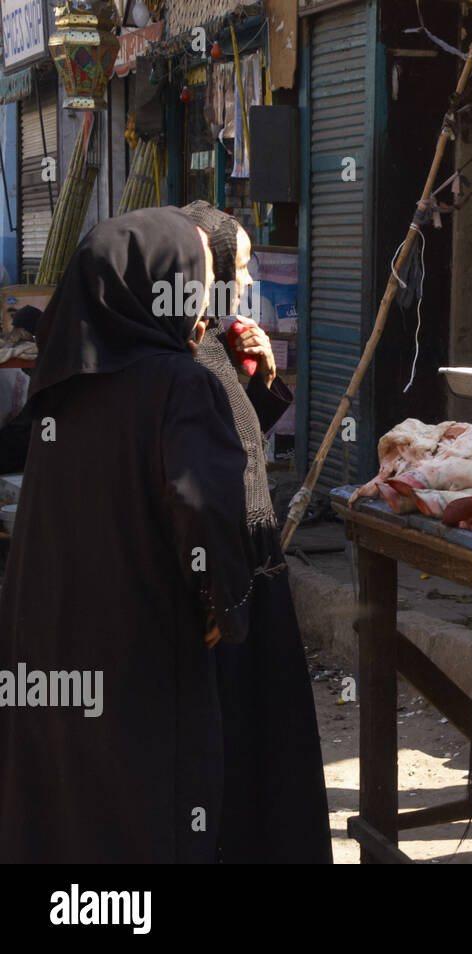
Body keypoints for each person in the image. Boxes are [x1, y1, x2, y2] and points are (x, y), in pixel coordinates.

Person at [0, 208, 253, 862]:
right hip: (142, 647)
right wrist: (226, 608)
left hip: (48, 644)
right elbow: (206, 510)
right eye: (191, 283)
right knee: (153, 808)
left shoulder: (61, 388)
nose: (200, 306)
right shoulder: (179, 385)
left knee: (67, 808)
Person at [180, 200, 332, 864]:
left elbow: (237, 448)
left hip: (249, 576)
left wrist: (262, 382)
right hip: (221, 583)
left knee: (261, 737)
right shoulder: (178, 361)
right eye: (236, 269)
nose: (244, 285)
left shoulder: (212, 344)